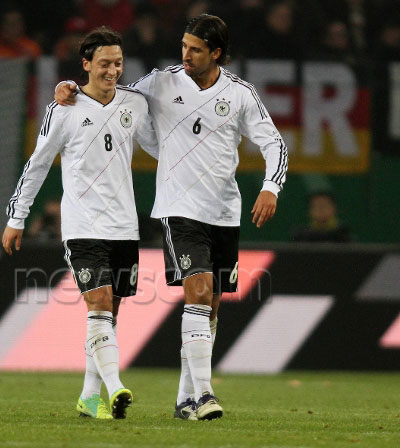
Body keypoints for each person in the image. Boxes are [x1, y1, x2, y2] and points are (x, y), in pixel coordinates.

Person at [55, 14, 287, 421]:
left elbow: (274, 143)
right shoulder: (162, 82)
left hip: (224, 211)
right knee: (198, 290)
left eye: (195, 49)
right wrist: (71, 87)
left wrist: (271, 186)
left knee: (211, 305)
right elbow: (111, 93)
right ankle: (206, 393)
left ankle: (185, 398)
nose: (186, 55)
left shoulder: (240, 94)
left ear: (216, 53)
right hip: (178, 208)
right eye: (183, 46)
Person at [2, 27, 159, 420]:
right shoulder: (64, 109)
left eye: (118, 63)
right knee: (99, 303)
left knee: (108, 314)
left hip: (124, 226)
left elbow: (159, 146)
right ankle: (115, 386)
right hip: (83, 225)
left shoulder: (134, 104)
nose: (112, 70)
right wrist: (17, 217)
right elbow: (37, 165)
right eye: (104, 63)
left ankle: (90, 396)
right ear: (86, 64)